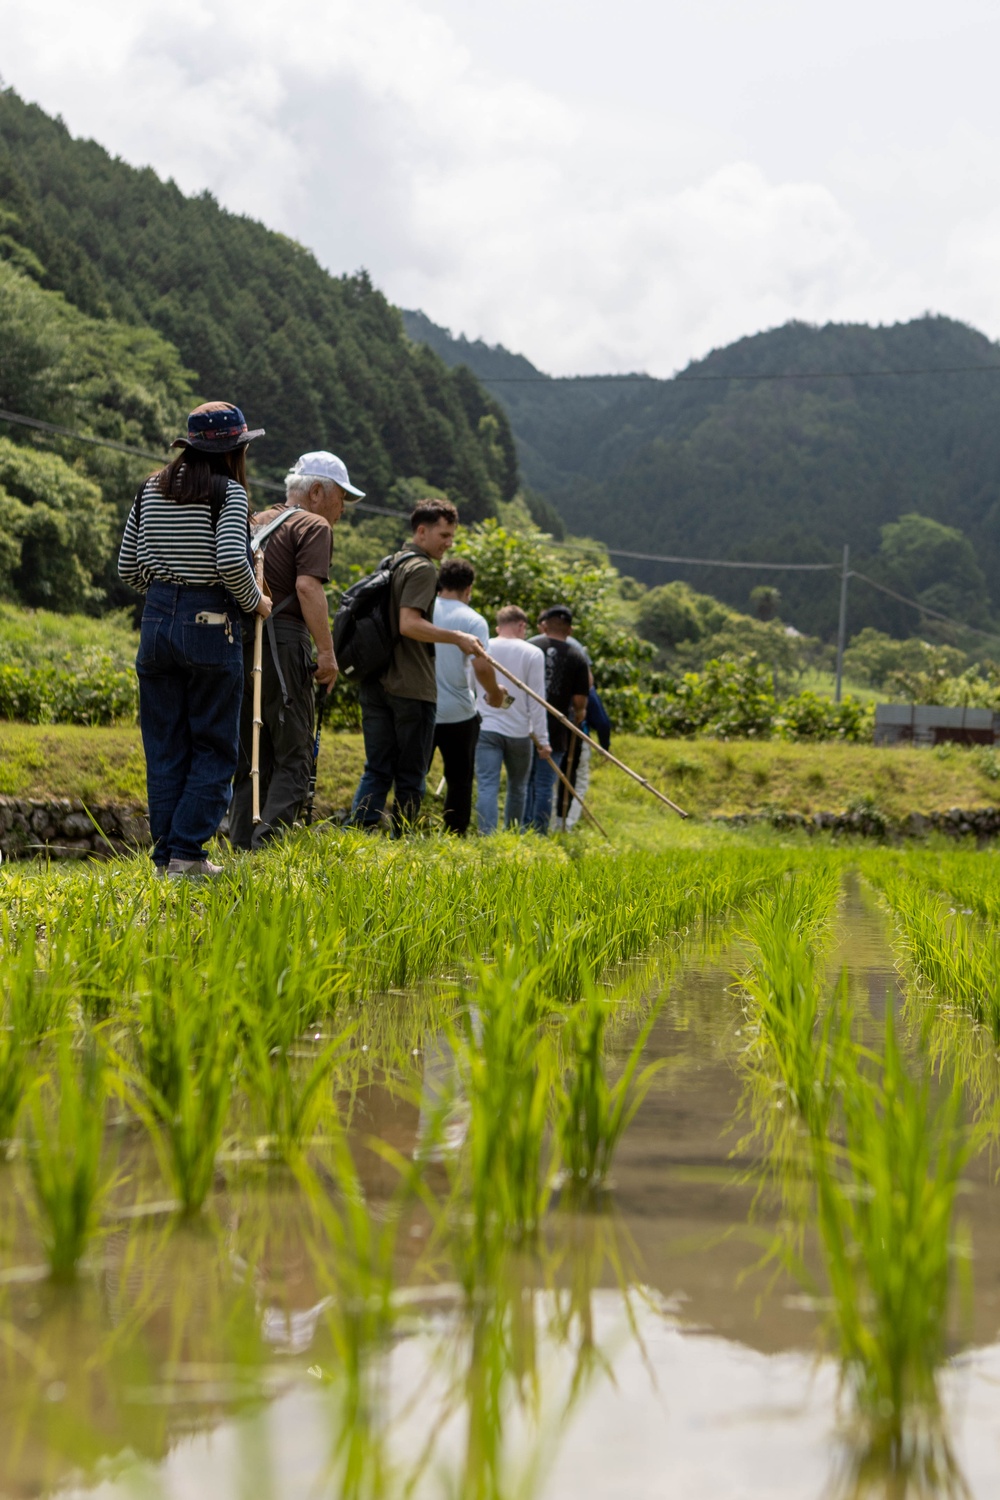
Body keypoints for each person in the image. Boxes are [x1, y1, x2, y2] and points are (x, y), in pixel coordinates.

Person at [118, 401, 271, 877]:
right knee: (214, 745)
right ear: (235, 449)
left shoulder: (150, 489)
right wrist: (256, 602)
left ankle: (166, 858)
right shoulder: (228, 493)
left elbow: (128, 567)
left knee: (165, 745)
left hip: (156, 622)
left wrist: (167, 592)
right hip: (209, 624)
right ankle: (187, 853)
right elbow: (229, 561)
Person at [229, 451, 363, 850]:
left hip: (240, 646)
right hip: (284, 645)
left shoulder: (254, 521)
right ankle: (267, 851)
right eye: (341, 497)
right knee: (295, 753)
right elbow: (308, 588)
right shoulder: (314, 524)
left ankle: (240, 848)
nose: (342, 509)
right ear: (318, 491)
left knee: (252, 758)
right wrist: (327, 654)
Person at [350, 498, 487, 834]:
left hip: (376, 680)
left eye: (451, 535)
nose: (449, 543)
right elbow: (409, 624)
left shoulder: (392, 562)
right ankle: (403, 841)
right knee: (411, 774)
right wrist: (458, 638)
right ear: (422, 531)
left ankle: (359, 836)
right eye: (444, 534)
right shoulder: (424, 568)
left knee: (377, 768)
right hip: (411, 686)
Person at [431, 557, 504, 835]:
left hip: (421, 705)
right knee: (459, 778)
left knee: (413, 773)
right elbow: (482, 666)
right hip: (459, 711)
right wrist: (495, 694)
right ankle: (455, 834)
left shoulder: (421, 611)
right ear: (468, 588)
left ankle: (405, 829)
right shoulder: (473, 620)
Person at [474, 605, 550, 834]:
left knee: (487, 785)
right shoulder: (532, 653)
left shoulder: (482, 647)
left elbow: (471, 686)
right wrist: (542, 739)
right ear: (521, 625)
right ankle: (512, 834)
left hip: (485, 727)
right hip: (519, 733)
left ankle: (486, 835)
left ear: (499, 625)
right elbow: (537, 700)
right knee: (518, 788)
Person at [523, 604, 589, 835]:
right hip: (558, 729)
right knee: (544, 784)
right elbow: (580, 702)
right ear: (569, 630)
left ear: (543, 626)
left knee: (524, 781)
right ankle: (539, 833)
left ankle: (522, 829)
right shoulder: (577, 657)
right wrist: (579, 716)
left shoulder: (529, 647)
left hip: (526, 724)